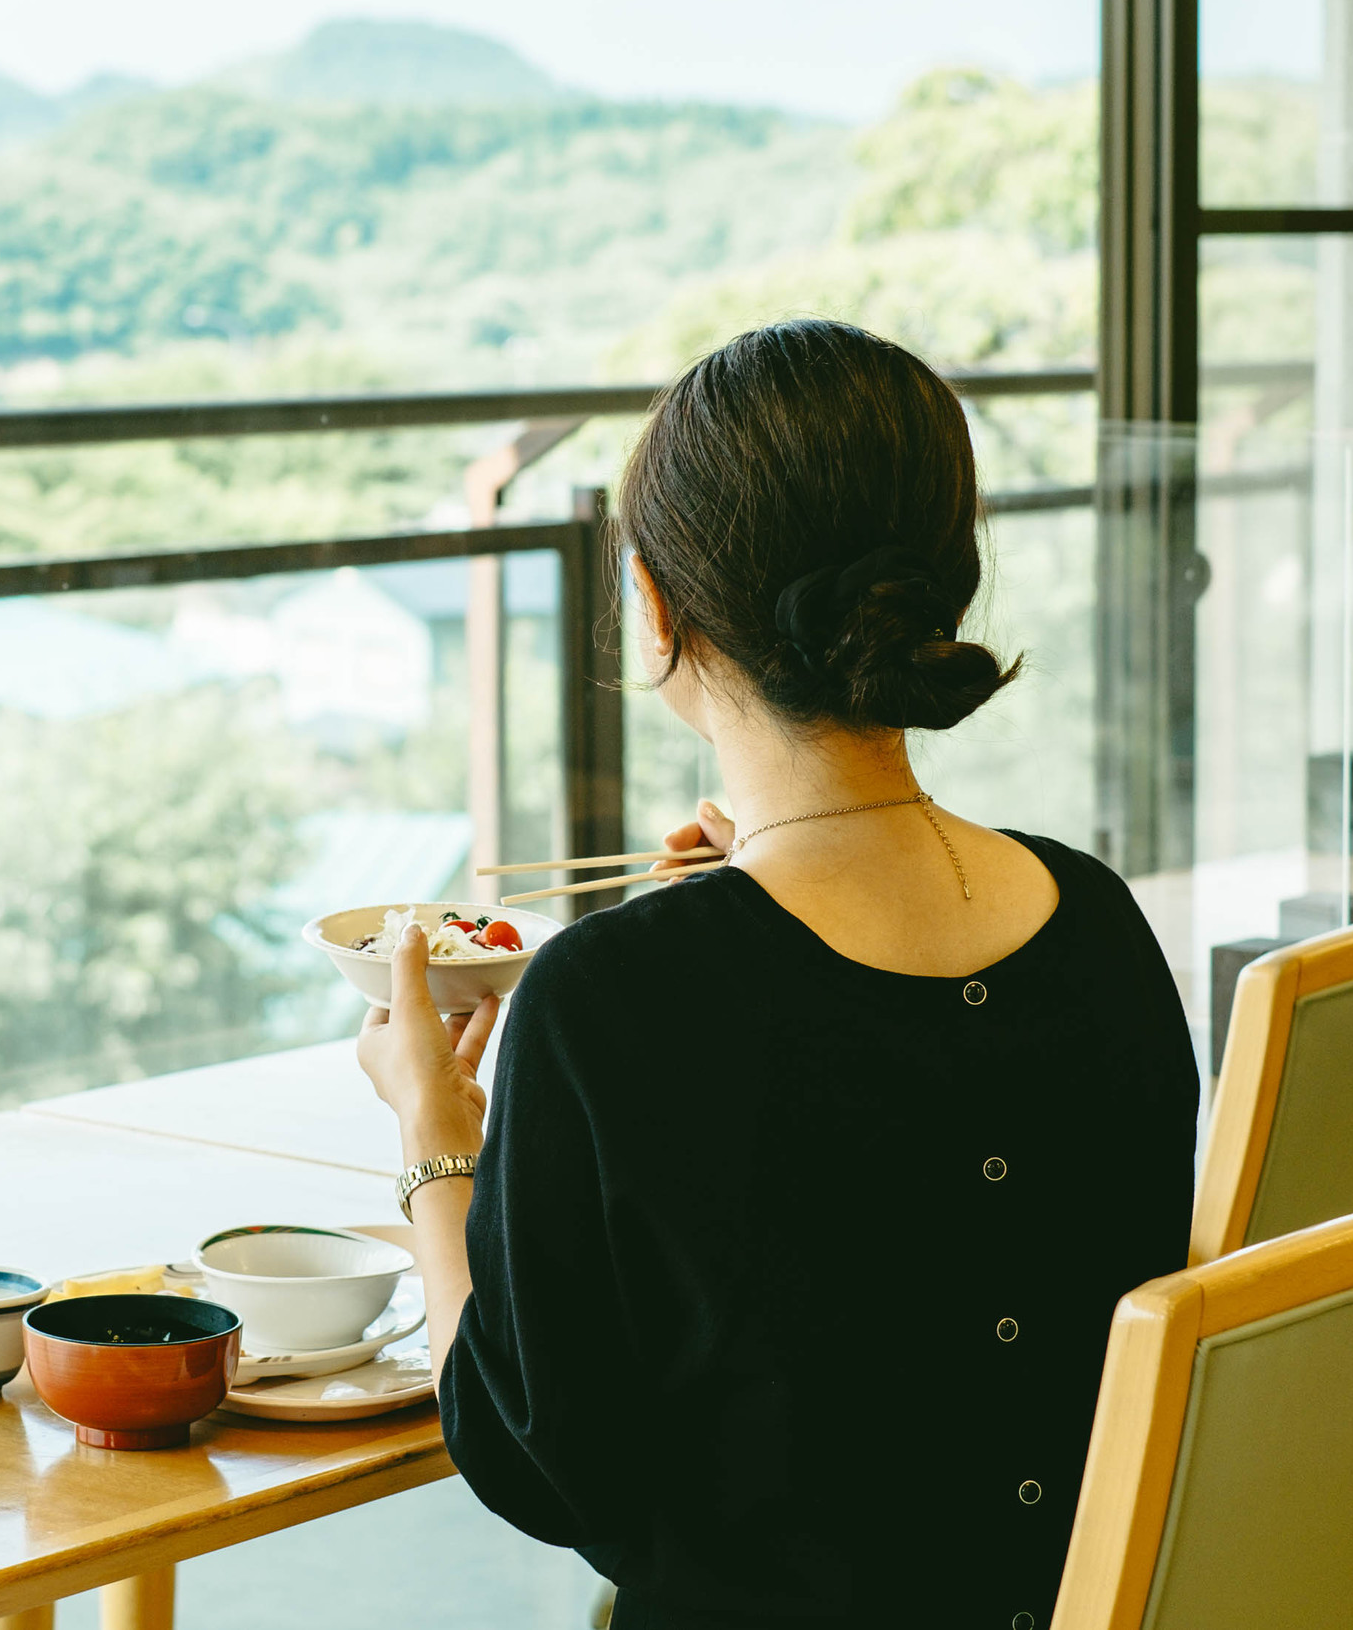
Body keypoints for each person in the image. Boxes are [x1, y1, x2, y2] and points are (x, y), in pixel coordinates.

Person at [359, 319, 1199, 1629]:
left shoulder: (611, 1003)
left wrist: (436, 1139)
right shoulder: (1095, 918)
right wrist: (705, 934)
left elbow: (534, 1458)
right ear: (943, 584)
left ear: (654, 611)